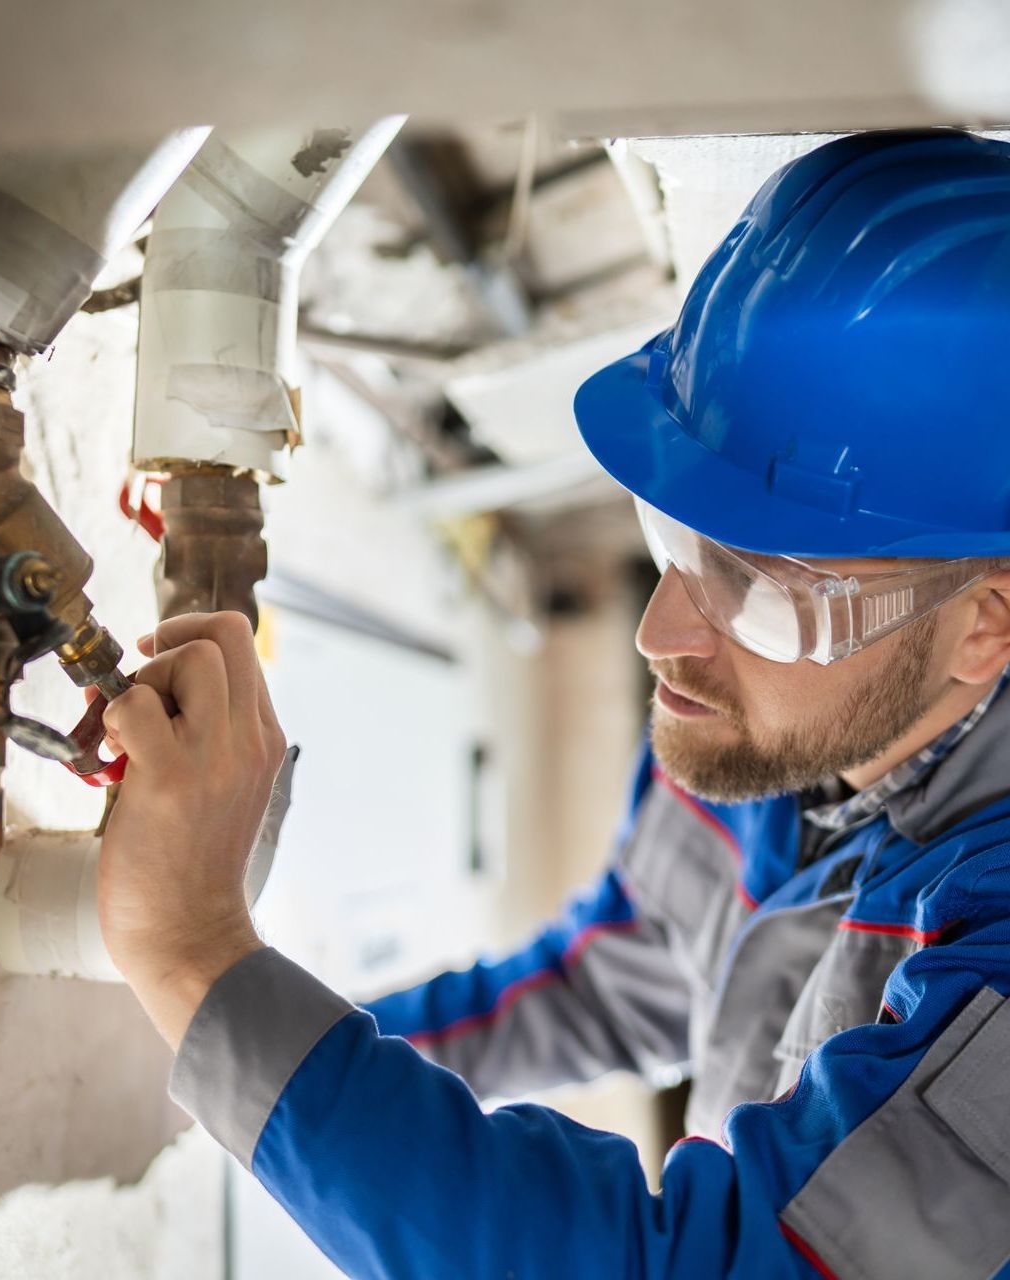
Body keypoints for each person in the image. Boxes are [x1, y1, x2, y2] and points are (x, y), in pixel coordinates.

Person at [97, 130, 1010, 1279]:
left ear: (984, 623)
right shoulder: (763, 728)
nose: (661, 635)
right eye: (671, 535)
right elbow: (610, 977)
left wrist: (192, 954)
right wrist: (244, 1043)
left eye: (761, 588)